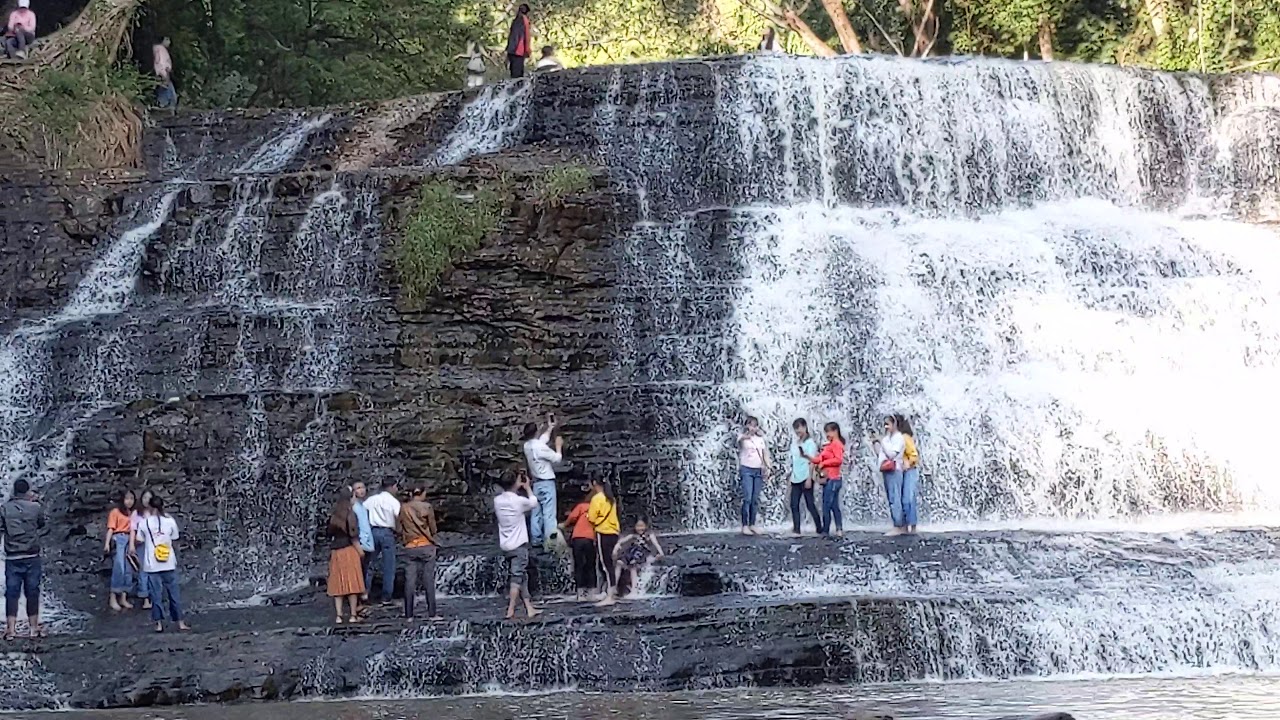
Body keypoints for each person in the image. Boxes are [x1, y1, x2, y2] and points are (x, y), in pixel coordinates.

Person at [134, 495, 189, 633]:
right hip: (168, 561)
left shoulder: (144, 523)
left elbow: (139, 539)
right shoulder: (170, 521)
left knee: (155, 594)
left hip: (151, 563)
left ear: (150, 507)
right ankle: (180, 622)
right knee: (173, 593)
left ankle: (158, 624)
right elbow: (175, 537)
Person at [494, 471, 541, 620]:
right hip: (519, 545)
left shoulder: (497, 501)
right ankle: (511, 608)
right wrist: (527, 487)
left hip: (506, 546)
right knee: (516, 577)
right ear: (516, 483)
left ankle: (529, 608)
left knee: (522, 576)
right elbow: (534, 502)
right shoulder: (519, 501)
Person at [1, 478, 44, 640]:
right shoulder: (36, 507)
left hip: (13, 557)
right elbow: (41, 524)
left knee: (11, 593)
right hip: (32, 556)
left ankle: (11, 629)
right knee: (32, 591)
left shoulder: (4, 508)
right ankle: (33, 628)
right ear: (27, 491)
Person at [397, 487, 439, 620]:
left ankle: (409, 615)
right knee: (428, 580)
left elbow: (398, 527)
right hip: (426, 545)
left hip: (409, 547)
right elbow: (433, 528)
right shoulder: (427, 507)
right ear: (422, 494)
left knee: (409, 581)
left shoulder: (403, 508)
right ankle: (432, 614)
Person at [521, 414, 563, 547]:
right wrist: (558, 446)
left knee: (536, 513)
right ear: (536, 432)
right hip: (547, 483)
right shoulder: (539, 447)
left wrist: (550, 428)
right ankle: (550, 542)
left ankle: (536, 540)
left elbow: (541, 442)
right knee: (549, 514)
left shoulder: (527, 446)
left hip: (536, 484)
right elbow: (557, 458)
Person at [600, 518, 663, 606]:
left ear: (646, 526)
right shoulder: (633, 535)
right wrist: (617, 546)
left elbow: (656, 544)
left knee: (633, 565)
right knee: (619, 562)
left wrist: (660, 553)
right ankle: (613, 587)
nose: (640, 528)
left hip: (642, 553)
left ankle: (634, 590)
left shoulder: (649, 534)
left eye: (642, 526)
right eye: (638, 526)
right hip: (632, 551)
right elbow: (622, 540)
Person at [326, 487, 366, 624]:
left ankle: (338, 616)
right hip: (349, 550)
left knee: (338, 585)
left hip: (336, 551)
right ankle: (353, 615)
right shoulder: (351, 514)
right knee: (352, 584)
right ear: (351, 497)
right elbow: (353, 535)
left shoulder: (334, 515)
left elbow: (329, 534)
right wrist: (360, 551)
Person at [803, 422, 846, 537]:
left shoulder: (836, 444)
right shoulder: (830, 445)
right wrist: (808, 457)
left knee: (827, 505)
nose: (827, 434)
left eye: (829, 431)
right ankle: (839, 529)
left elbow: (839, 460)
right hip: (831, 479)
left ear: (835, 431)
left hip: (832, 479)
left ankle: (826, 531)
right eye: (826, 432)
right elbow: (819, 459)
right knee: (834, 505)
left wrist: (823, 463)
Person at [362, 479, 401, 604]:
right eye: (396, 487)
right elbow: (397, 518)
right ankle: (386, 596)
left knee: (370, 563)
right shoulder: (394, 502)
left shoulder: (372, 499)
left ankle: (365, 593)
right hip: (387, 533)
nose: (397, 489)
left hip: (372, 532)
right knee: (389, 565)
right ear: (392, 486)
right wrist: (399, 532)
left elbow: (362, 512)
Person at [587, 478, 620, 605]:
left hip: (603, 532)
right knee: (611, 564)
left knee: (606, 565)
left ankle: (610, 596)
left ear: (594, 483)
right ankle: (611, 592)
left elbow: (592, 517)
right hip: (614, 532)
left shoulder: (597, 498)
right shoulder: (611, 498)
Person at [103, 490, 137, 612]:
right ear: (122, 499)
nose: (129, 501)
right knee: (119, 568)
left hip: (129, 540)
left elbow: (133, 530)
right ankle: (113, 597)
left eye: (132, 499)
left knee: (128, 569)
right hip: (119, 538)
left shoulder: (132, 513)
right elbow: (111, 529)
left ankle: (123, 596)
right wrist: (107, 543)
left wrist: (132, 544)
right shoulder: (115, 512)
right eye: (127, 498)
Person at [736, 416, 771, 535]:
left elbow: (764, 454)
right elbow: (738, 442)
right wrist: (744, 436)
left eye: (755, 425)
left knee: (755, 499)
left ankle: (753, 524)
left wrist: (768, 467)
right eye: (750, 424)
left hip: (759, 470)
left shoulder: (760, 439)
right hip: (746, 469)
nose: (752, 427)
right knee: (747, 498)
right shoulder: (742, 438)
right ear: (746, 425)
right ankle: (744, 525)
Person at [873, 415, 907, 535]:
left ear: (894, 424)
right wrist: (876, 443)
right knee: (891, 497)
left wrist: (881, 441)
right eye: (885, 424)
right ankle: (900, 525)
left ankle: (898, 526)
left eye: (888, 424)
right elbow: (881, 454)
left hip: (895, 470)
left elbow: (892, 454)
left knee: (894, 498)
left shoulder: (899, 438)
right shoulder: (887, 438)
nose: (886, 427)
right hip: (886, 469)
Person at [560, 487, 596, 600]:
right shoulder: (598, 507)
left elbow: (572, 517)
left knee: (579, 565)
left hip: (578, 538)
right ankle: (591, 593)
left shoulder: (582, 506)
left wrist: (564, 525)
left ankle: (580, 594)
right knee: (590, 565)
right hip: (590, 538)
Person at [788, 419, 822, 535]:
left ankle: (819, 528)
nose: (798, 431)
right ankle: (797, 529)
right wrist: (790, 477)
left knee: (810, 504)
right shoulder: (795, 443)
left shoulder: (810, 443)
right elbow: (794, 461)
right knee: (793, 504)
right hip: (795, 478)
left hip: (806, 477)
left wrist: (809, 478)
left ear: (805, 427)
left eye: (799, 428)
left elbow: (812, 461)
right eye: (796, 428)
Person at [896, 414, 921, 534]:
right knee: (902, 499)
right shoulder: (895, 438)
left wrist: (908, 463)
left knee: (908, 499)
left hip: (910, 470)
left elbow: (914, 455)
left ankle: (912, 526)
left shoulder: (905, 437)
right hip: (900, 471)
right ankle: (906, 526)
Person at [350, 481, 374, 603]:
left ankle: (364, 594)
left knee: (367, 569)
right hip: (360, 543)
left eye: (363, 487)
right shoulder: (353, 506)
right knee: (361, 570)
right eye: (358, 488)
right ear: (353, 491)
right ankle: (361, 596)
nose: (361, 490)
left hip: (368, 542)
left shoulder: (363, 505)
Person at [131, 488, 154, 610]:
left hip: (154, 545)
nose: (147, 500)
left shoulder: (155, 512)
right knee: (143, 571)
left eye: (149, 498)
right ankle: (145, 599)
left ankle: (154, 596)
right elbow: (133, 530)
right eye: (145, 497)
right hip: (142, 544)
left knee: (155, 570)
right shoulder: (137, 513)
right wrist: (131, 545)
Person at [506, 3, 533, 78]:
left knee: (515, 74)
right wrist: (527, 51)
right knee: (517, 75)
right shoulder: (523, 20)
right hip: (518, 51)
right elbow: (525, 37)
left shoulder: (516, 20)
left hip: (514, 50)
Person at [153, 37, 177, 109]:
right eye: (167, 40)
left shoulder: (160, 49)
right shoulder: (160, 49)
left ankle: (164, 104)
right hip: (163, 72)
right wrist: (162, 72)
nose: (169, 42)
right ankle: (164, 105)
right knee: (166, 88)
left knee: (165, 88)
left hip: (163, 72)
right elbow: (159, 61)